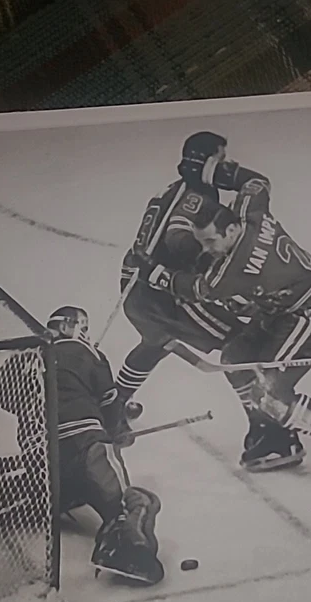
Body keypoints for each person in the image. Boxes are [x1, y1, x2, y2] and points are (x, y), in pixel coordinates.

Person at [134, 179, 311, 482]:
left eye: (210, 242)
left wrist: (157, 274)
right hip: (284, 309)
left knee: (270, 391)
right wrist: (220, 172)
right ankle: (272, 432)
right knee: (235, 357)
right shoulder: (252, 213)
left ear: (232, 231)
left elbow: (199, 289)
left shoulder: (232, 269)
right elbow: (256, 184)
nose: (207, 250)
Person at [113, 132, 272, 423]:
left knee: (156, 341)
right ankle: (263, 428)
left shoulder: (171, 190)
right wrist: (211, 260)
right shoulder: (199, 195)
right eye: (221, 158)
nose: (227, 165)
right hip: (164, 294)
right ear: (205, 161)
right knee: (237, 343)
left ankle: (113, 403)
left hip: (136, 288)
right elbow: (177, 239)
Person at [47, 306, 164, 584]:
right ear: (66, 327)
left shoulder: (24, 356)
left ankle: (16, 498)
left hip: (41, 456)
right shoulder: (89, 354)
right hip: (85, 442)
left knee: (65, 489)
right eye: (82, 327)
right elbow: (110, 405)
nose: (85, 333)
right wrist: (118, 430)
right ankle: (125, 548)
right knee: (137, 500)